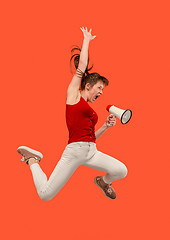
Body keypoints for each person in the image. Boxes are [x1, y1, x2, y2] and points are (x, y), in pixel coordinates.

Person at [17, 27, 128, 201]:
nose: (101, 92)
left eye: (103, 89)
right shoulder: (73, 96)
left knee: (121, 170)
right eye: (100, 87)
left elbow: (91, 137)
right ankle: (33, 160)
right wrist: (86, 40)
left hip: (91, 151)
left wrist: (106, 126)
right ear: (88, 86)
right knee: (45, 194)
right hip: (74, 152)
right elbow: (81, 67)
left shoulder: (91, 111)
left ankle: (103, 182)